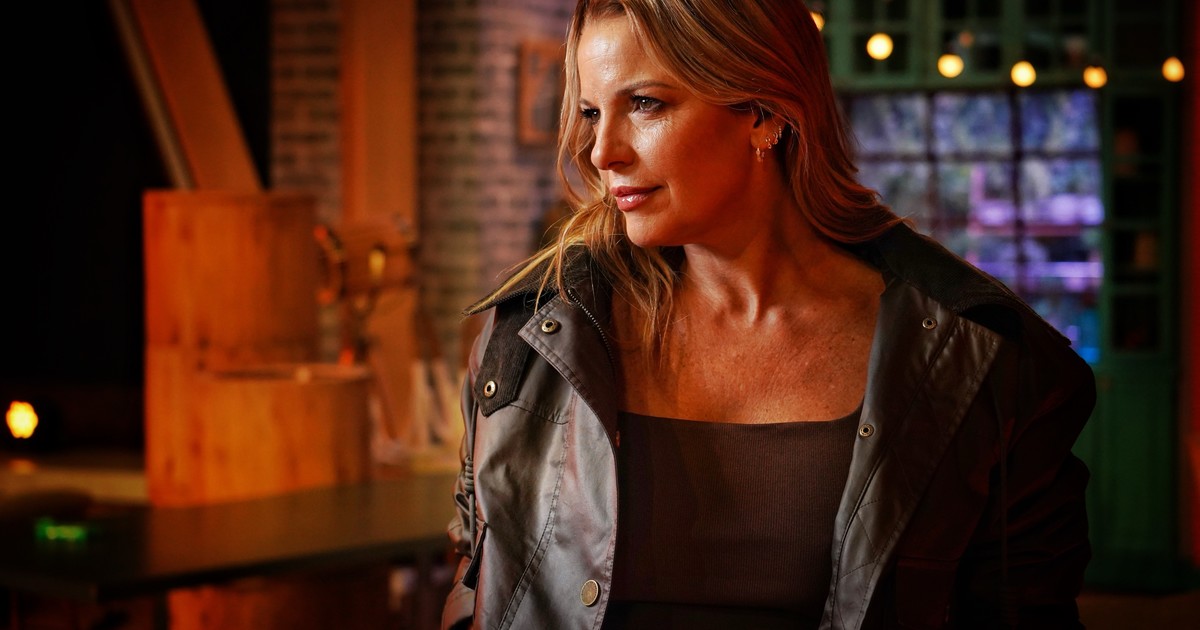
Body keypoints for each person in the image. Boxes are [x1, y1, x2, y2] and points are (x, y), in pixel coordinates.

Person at [442, 0, 1095, 628]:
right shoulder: (531, 338)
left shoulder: (976, 360)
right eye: (591, 111)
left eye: (645, 104)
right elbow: (479, 591)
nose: (600, 151)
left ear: (764, 112)